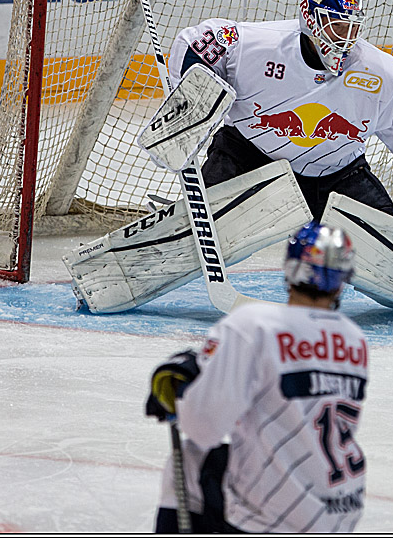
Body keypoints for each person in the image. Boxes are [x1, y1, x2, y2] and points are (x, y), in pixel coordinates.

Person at [165, 0, 393, 220]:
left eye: (351, 28)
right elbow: (198, 42)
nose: (345, 38)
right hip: (248, 159)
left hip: (335, 174)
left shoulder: (379, 72)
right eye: (337, 26)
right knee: (205, 220)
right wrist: (191, 106)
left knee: (381, 232)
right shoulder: (256, 46)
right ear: (310, 19)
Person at [146, 221, 369, 533]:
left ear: (290, 271)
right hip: (343, 506)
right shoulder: (353, 338)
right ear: (342, 281)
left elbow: (204, 428)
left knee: (188, 463)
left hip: (277, 515)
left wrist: (181, 396)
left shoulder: (253, 326)